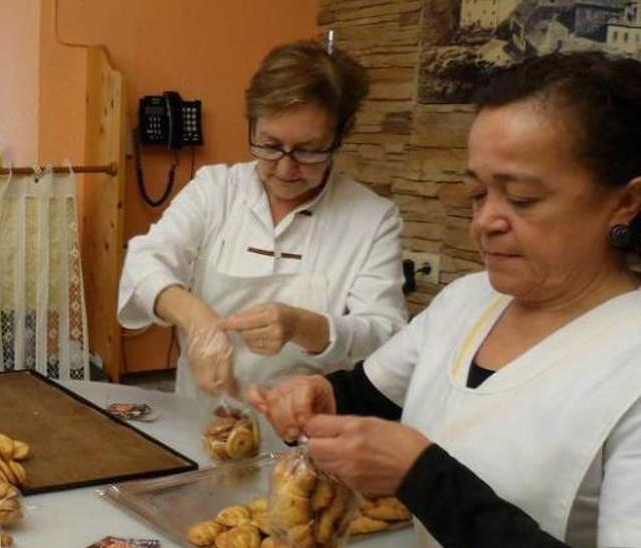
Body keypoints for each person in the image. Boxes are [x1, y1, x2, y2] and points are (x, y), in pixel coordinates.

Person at [249, 51, 641, 547]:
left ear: (625, 201)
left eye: (520, 198)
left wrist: (420, 474)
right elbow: (370, 393)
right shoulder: (468, 301)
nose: (485, 222)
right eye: (478, 194)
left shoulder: (628, 359)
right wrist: (321, 395)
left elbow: (424, 470)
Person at [118, 40, 407, 396]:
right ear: (252, 123)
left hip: (308, 434)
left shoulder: (372, 219)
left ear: (341, 135)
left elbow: (386, 334)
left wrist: (304, 326)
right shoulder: (216, 189)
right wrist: (197, 320)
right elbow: (144, 260)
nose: (286, 168)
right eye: (269, 145)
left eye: (308, 150)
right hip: (201, 418)